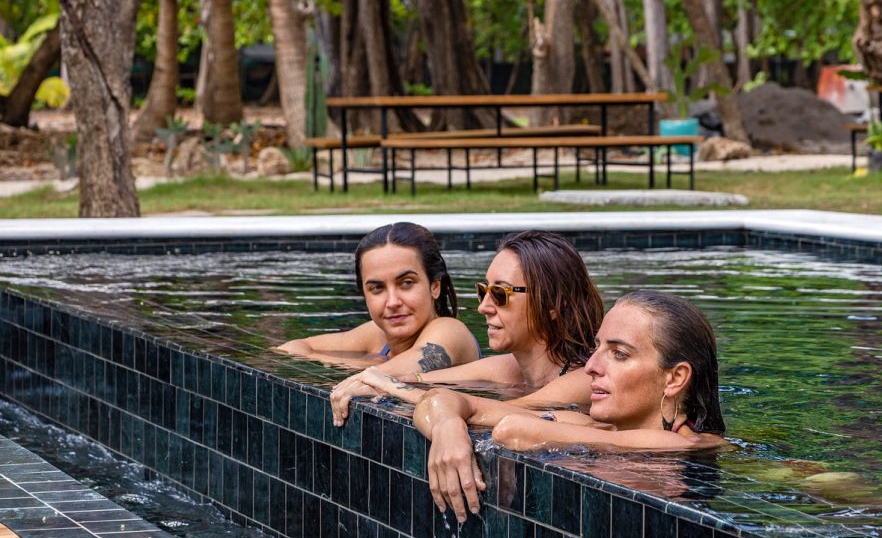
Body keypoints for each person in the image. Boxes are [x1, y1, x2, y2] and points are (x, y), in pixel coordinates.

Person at [360, 291, 727, 522]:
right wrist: (445, 427)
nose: (592, 366)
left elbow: (515, 431)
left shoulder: (684, 446)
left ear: (675, 378)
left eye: (618, 353)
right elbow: (449, 401)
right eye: (598, 348)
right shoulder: (594, 427)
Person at [327, 229, 604, 426]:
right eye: (484, 291)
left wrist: (393, 388)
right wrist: (372, 381)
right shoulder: (508, 368)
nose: (484, 307)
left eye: (500, 294)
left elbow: (492, 411)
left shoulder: (588, 379)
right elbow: (421, 378)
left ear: (553, 304)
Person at [276, 222, 480, 379]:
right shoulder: (376, 336)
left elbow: (394, 373)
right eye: (377, 288)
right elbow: (292, 348)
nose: (392, 302)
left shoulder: (450, 331)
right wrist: (362, 363)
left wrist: (361, 366)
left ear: (435, 286)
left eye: (406, 283)